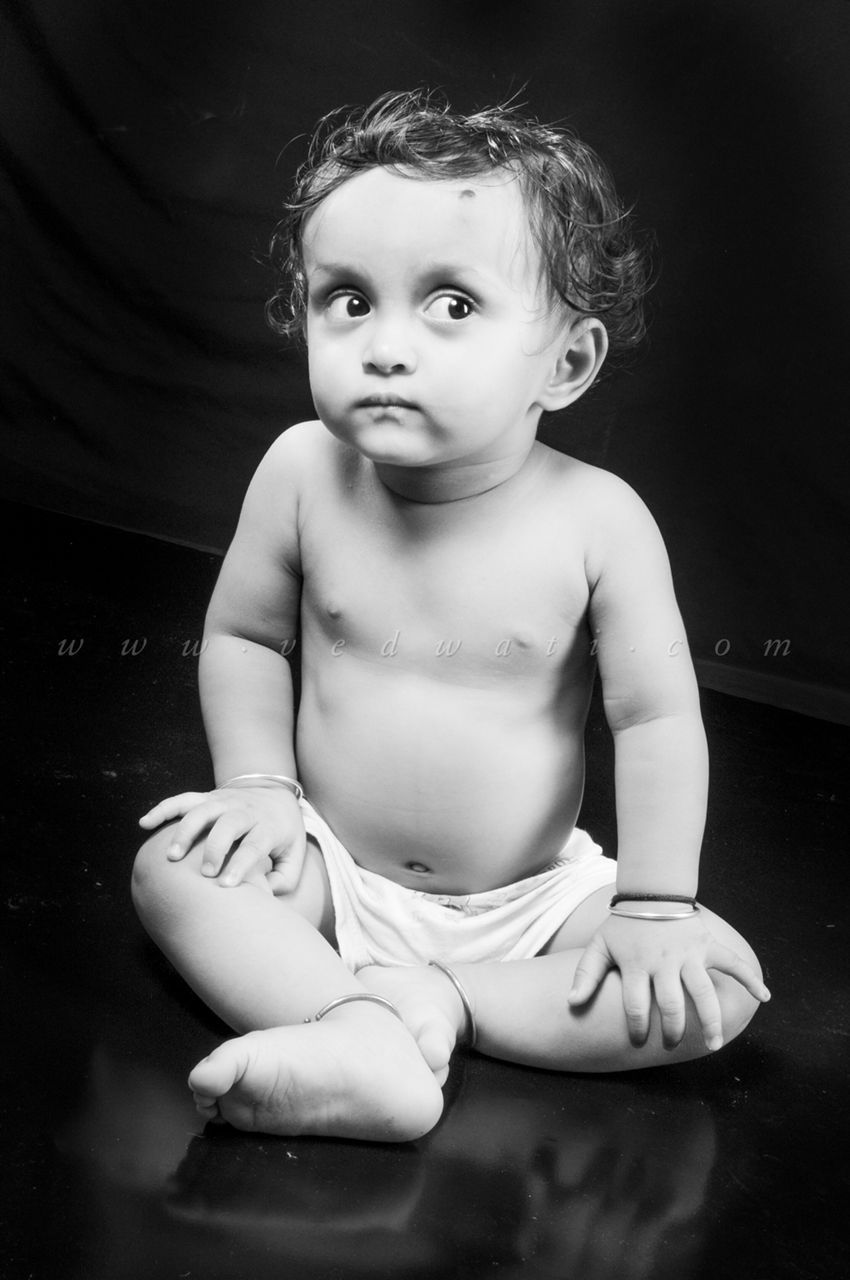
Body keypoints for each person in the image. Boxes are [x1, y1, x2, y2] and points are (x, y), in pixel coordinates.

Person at [132, 90, 770, 1143]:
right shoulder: (301, 472)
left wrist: (655, 905)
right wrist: (258, 787)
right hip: (329, 868)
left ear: (565, 363)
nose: (385, 347)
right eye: (348, 300)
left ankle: (439, 1003)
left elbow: (655, 716)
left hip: (529, 901)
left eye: (453, 306)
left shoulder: (599, 520)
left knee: (718, 980)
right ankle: (357, 1031)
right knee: (172, 869)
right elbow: (245, 638)